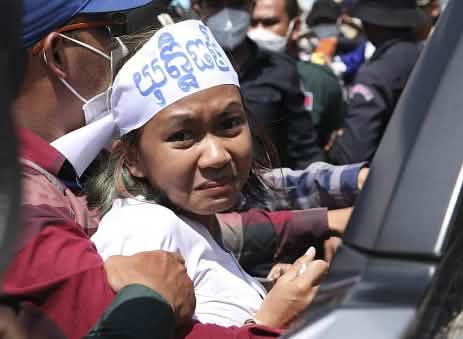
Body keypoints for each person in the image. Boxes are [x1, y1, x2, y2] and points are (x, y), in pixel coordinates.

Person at [0, 0, 315, 337]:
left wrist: (317, 224)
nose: (119, 46)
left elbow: (197, 228)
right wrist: (267, 324)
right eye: (108, 30)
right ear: (57, 55)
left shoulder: (63, 167)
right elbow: (128, 324)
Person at [87, 20, 327, 329]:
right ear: (133, 158)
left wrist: (264, 290)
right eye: (182, 135)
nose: (217, 156)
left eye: (229, 124)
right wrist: (270, 319)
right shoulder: (144, 232)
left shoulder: (193, 221)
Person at [192, 0, 326, 169]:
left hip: (268, 188)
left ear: (252, 6)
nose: (227, 16)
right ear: (197, 9)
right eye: (216, 5)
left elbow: (303, 149)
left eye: (237, 4)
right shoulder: (186, 70)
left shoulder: (280, 70)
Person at [325, 0, 424, 164]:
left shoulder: (376, 74)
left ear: (372, 23)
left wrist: (337, 144)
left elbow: (353, 154)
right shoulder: (425, 56)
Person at [249, 0, 345, 152]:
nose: (258, 31)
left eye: (270, 23)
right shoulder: (230, 79)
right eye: (252, 23)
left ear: (296, 27)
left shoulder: (320, 81)